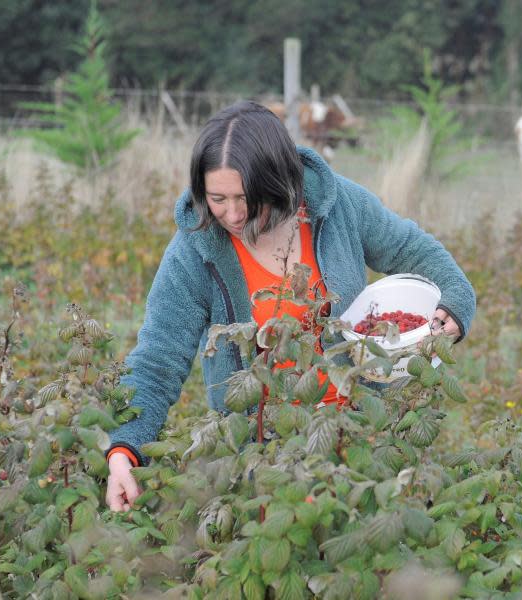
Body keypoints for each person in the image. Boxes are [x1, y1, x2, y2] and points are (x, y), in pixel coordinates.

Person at [105, 100, 476, 512]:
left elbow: (413, 249)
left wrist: (457, 302)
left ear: (279, 180)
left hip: (360, 439)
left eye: (246, 198)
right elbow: (159, 358)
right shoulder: (196, 250)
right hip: (262, 460)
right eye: (217, 198)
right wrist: (125, 447)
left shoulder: (337, 206)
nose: (231, 213)